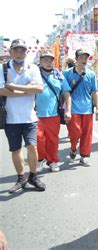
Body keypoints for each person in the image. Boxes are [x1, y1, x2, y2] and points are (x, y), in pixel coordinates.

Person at [0, 39, 46, 193]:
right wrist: (26, 90)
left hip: (30, 117)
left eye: (22, 50)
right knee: (15, 149)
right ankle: (21, 178)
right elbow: (1, 91)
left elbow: (39, 88)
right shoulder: (3, 69)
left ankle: (33, 176)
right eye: (16, 50)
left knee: (32, 146)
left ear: (27, 52)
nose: (19, 53)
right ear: (10, 52)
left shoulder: (33, 68)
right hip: (10, 117)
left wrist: (13, 87)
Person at [64, 49, 98, 166]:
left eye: (85, 58)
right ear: (76, 59)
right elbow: (64, 91)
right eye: (81, 58)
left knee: (87, 133)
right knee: (75, 132)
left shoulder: (91, 74)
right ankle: (73, 147)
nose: (84, 60)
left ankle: (84, 155)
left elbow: (95, 92)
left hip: (87, 109)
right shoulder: (67, 74)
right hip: (73, 109)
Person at [36, 50, 72, 172]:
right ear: (40, 61)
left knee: (53, 140)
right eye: (45, 59)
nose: (48, 62)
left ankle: (53, 161)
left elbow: (67, 94)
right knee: (38, 139)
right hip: (36, 114)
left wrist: (68, 111)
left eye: (50, 60)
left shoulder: (59, 75)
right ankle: (40, 159)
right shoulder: (34, 74)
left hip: (53, 114)